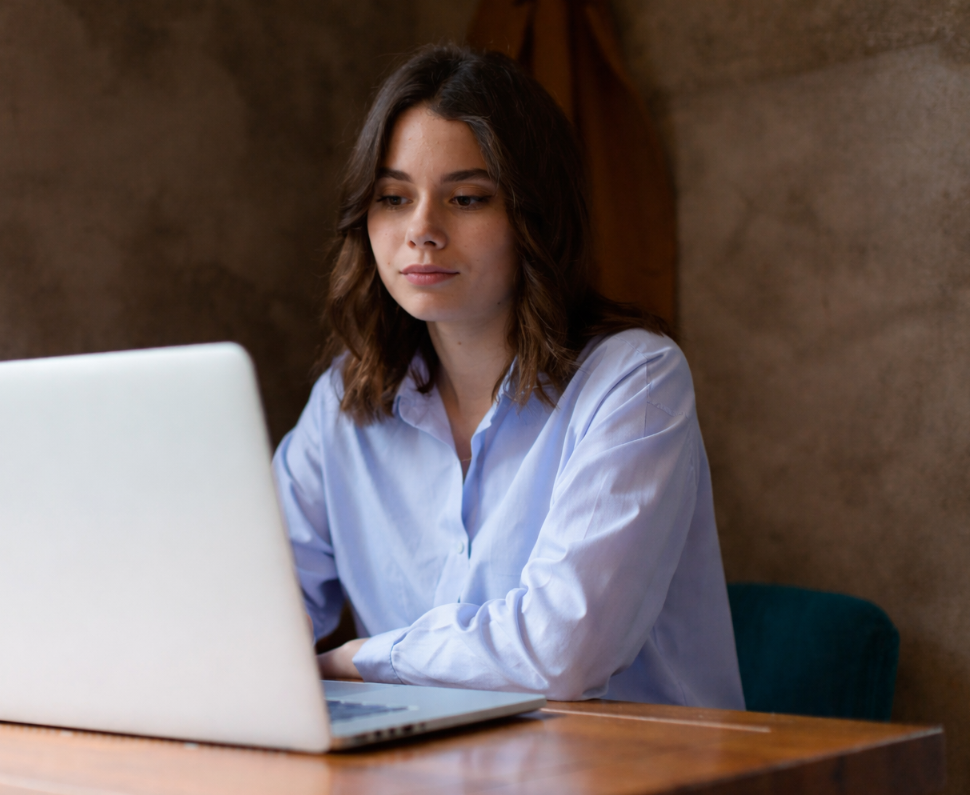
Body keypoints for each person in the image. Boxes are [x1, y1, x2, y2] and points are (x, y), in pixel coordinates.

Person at [272, 45, 744, 708]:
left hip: (629, 757)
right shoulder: (344, 401)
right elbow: (256, 599)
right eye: (393, 197)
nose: (422, 230)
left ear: (534, 217)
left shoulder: (635, 381)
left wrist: (364, 661)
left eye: (467, 198)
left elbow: (560, 652)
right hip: (434, 760)